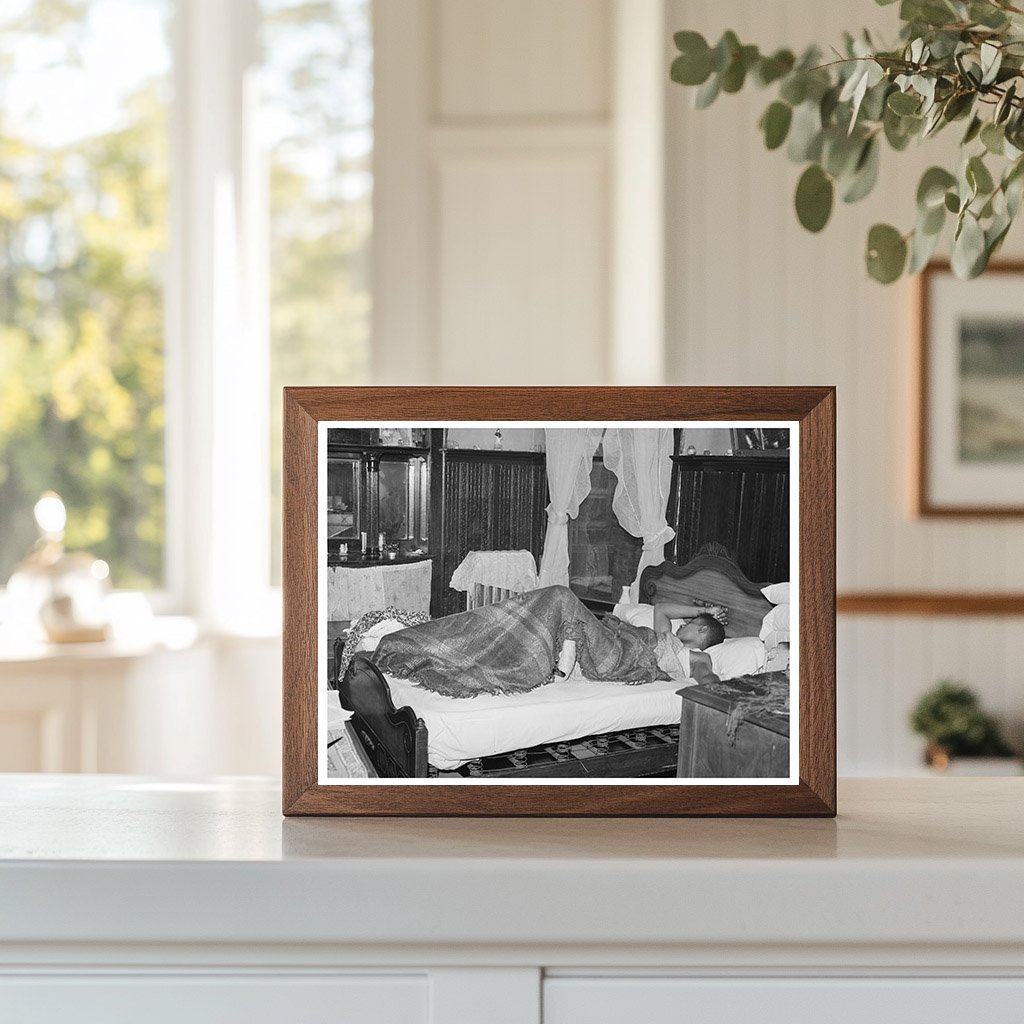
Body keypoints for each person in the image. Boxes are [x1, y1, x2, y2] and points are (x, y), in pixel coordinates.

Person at [372, 584, 727, 699]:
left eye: (693, 624)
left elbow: (713, 685)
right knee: (535, 611)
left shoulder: (697, 658)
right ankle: (422, 642)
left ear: (702, 636)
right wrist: (705, 607)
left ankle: (561, 662)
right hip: (615, 640)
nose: (683, 624)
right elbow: (663, 606)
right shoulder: (667, 634)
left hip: (622, 654)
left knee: (559, 596)